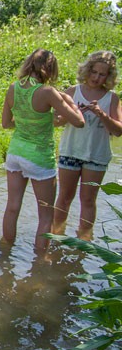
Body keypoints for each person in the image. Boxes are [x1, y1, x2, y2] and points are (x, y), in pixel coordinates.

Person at [1, 48, 84, 252]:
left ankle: (5, 254)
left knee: (12, 207)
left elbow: (7, 124)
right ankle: (40, 262)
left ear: (29, 64)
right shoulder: (47, 92)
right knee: (45, 214)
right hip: (39, 158)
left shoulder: (13, 88)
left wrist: (31, 124)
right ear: (50, 69)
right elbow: (79, 122)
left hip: (15, 154)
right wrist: (70, 101)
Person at [53, 51, 122, 239]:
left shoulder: (112, 98)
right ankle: (56, 236)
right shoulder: (73, 91)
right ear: (87, 70)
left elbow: (118, 131)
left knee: (88, 200)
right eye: (94, 72)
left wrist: (101, 114)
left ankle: (84, 241)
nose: (96, 78)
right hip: (71, 150)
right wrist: (72, 114)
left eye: (102, 74)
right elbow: (55, 121)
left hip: (96, 155)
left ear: (109, 77)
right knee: (64, 197)